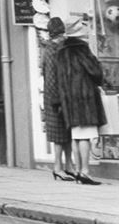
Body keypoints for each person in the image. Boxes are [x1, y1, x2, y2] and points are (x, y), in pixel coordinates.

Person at [46, 18, 107, 185]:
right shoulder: (81, 48)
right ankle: (84, 172)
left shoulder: (61, 51)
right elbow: (94, 71)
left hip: (69, 100)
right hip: (84, 98)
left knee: (77, 136)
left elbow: (56, 77)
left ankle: (77, 170)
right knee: (86, 135)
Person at [42, 17, 75, 181]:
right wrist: (57, 100)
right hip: (56, 97)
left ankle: (69, 166)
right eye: (62, 34)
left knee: (67, 133)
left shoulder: (53, 48)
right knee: (59, 135)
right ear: (59, 33)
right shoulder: (52, 50)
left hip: (60, 96)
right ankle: (57, 167)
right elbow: (51, 78)